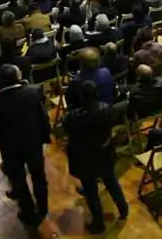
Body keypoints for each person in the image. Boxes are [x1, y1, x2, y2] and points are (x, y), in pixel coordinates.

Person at [0, 64, 51, 226]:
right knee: (39, 176)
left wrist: (2, 146)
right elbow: (44, 119)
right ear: (17, 77)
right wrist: (43, 137)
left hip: (11, 150)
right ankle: (43, 208)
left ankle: (28, 212)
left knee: (18, 182)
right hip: (33, 144)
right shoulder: (33, 93)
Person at [63, 81, 128, 233]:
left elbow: (66, 127)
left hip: (84, 158)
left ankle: (99, 224)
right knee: (111, 182)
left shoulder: (73, 117)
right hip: (104, 153)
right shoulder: (106, 109)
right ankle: (123, 209)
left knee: (91, 191)